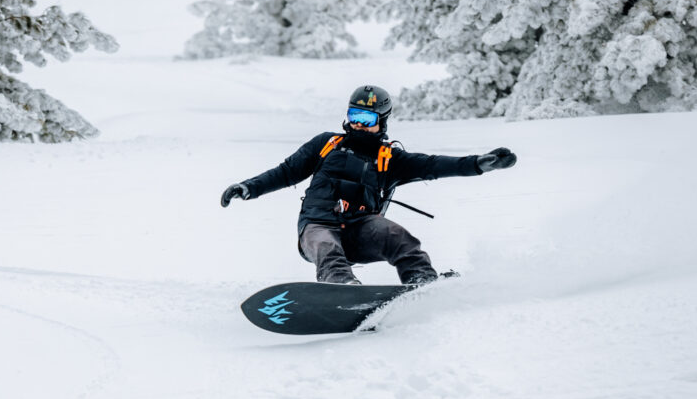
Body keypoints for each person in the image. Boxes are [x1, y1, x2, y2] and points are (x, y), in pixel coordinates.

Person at [220, 85, 517, 285]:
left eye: (366, 117)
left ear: (381, 121)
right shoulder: (326, 143)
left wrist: (478, 163)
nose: (358, 124)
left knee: (399, 237)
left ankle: (423, 283)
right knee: (326, 246)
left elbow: (433, 165)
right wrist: (249, 187)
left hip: (361, 229)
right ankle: (343, 288)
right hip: (317, 224)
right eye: (354, 115)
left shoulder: (390, 158)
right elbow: (286, 172)